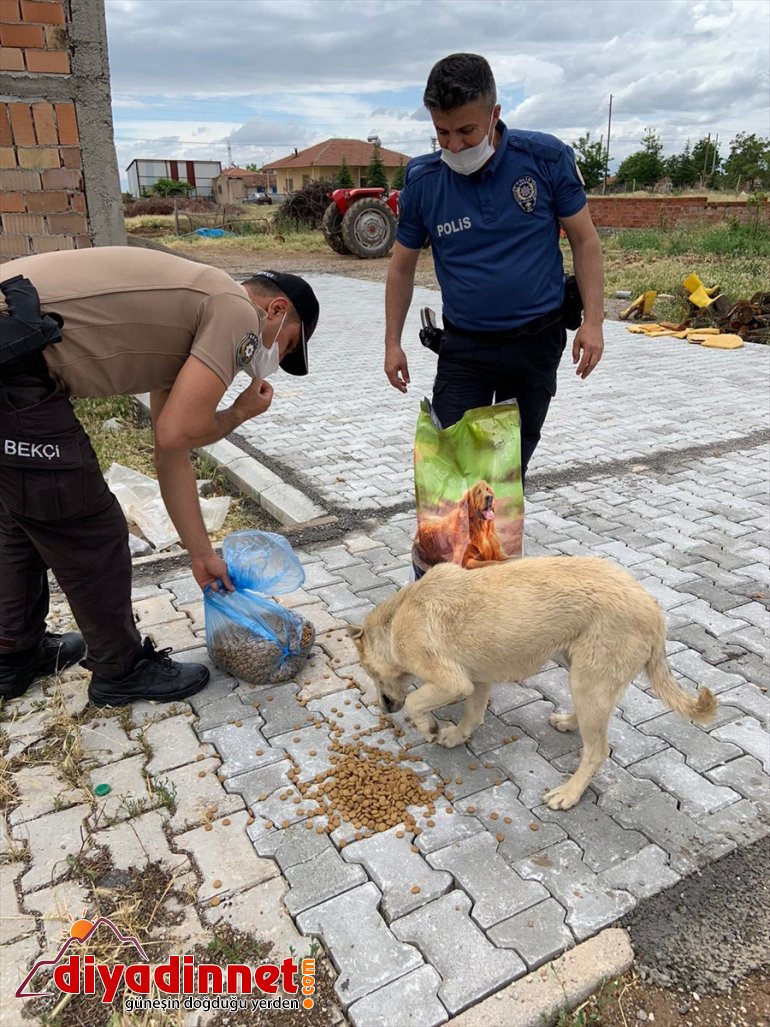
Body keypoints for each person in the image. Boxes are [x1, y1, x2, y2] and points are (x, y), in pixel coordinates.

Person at [0, 247, 319, 706]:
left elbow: (171, 450)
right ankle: (121, 670)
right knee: (90, 526)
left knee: (22, 513)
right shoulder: (236, 309)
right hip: (12, 361)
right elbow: (181, 430)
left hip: (12, 353)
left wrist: (201, 554)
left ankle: (14, 655)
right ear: (275, 309)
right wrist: (239, 413)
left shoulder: (186, 318)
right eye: (287, 344)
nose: (274, 357)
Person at [385, 52, 604, 477]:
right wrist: (392, 342)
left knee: (505, 472)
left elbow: (585, 239)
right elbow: (401, 267)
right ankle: (447, 544)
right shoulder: (424, 181)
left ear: (494, 115)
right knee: (448, 468)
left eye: (467, 130)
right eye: (442, 133)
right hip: (466, 347)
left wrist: (593, 321)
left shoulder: (543, 158)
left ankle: (494, 545)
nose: (454, 145)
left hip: (536, 342)